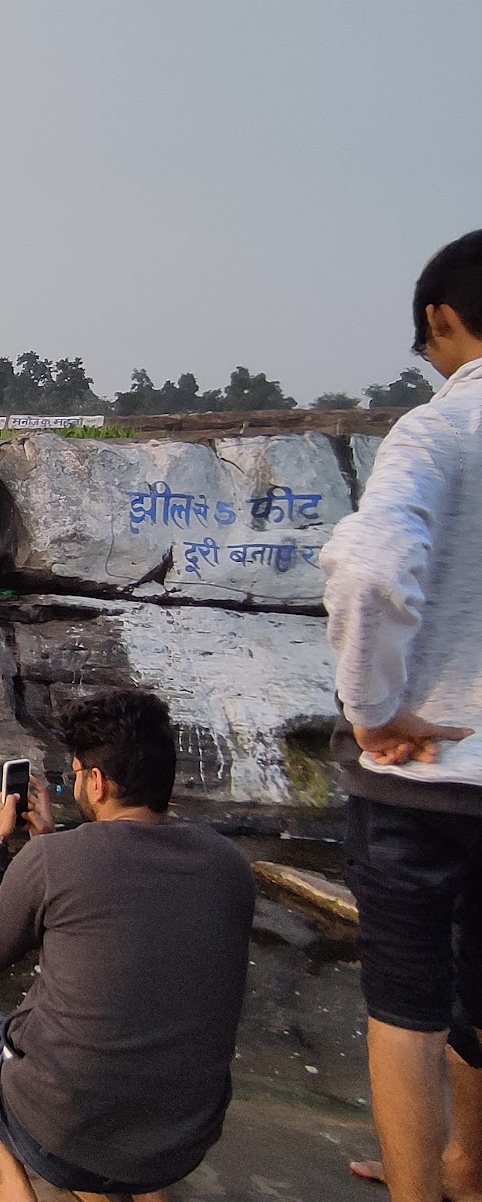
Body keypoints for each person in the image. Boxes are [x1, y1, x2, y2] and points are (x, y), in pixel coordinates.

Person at [0, 690, 254, 1202]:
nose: (73, 783)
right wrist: (51, 839)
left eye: (74, 773)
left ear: (96, 781)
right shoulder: (229, 864)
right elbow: (130, 914)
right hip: (181, 1144)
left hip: (62, 1139)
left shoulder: (54, 860)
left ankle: (4, 1178)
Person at [321, 228, 482, 1202]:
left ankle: (420, 1187)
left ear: (440, 316)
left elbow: (371, 566)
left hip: (423, 781)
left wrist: (374, 708)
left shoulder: (437, 430)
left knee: (407, 1004)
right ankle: (468, 1164)